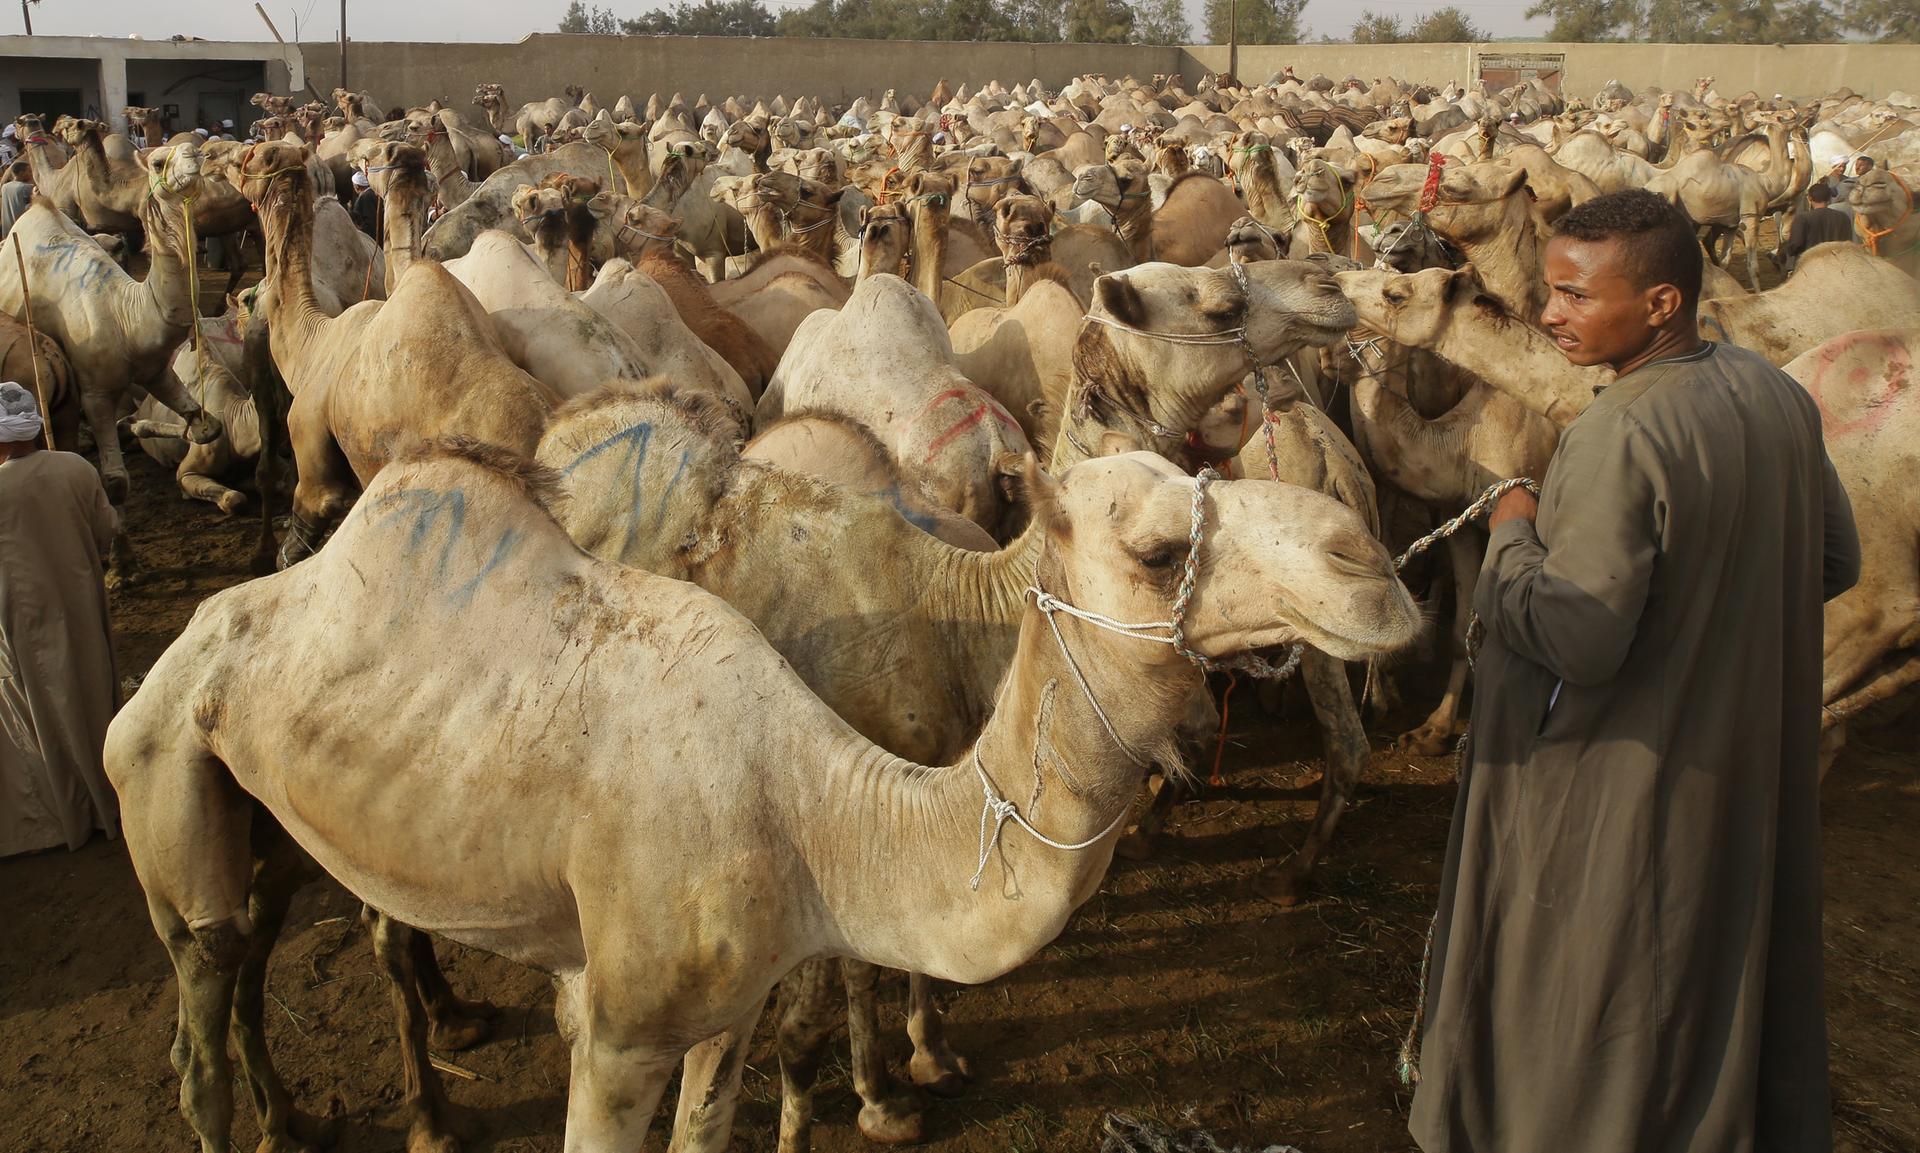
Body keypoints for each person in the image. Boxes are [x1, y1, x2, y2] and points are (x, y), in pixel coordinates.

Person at [1408, 189, 1857, 1153]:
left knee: (1595, 981)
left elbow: (1579, 640)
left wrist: (1514, 536)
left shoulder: (1622, 431)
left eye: (1575, 296)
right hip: (1741, 763)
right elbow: (1833, 564)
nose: (1550, 314)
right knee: (1713, 967)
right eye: (1549, 292)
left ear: (1661, 304)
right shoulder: (1774, 392)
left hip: (1628, 774)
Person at [0, 382, 123, 857]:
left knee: (45, 704)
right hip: (81, 606)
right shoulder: (75, 467)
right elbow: (106, 531)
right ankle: (108, 796)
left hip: (24, 617)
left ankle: (71, 810)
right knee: (91, 693)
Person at [1785, 181, 1856, 271]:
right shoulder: (1843, 217)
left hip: (1809, 267)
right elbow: (1847, 243)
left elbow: (1795, 244)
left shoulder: (1803, 218)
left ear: (1810, 198)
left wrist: (1789, 251)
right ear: (1829, 198)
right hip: (1837, 266)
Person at [0, 161, 31, 239]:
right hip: (23, 232)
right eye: (29, 171)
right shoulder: (26, 188)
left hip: (9, 231)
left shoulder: (4, 187)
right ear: (21, 173)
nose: (31, 174)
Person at [350, 169, 378, 237]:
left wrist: (361, 232)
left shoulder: (365, 197)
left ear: (357, 186)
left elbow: (370, 221)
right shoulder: (373, 193)